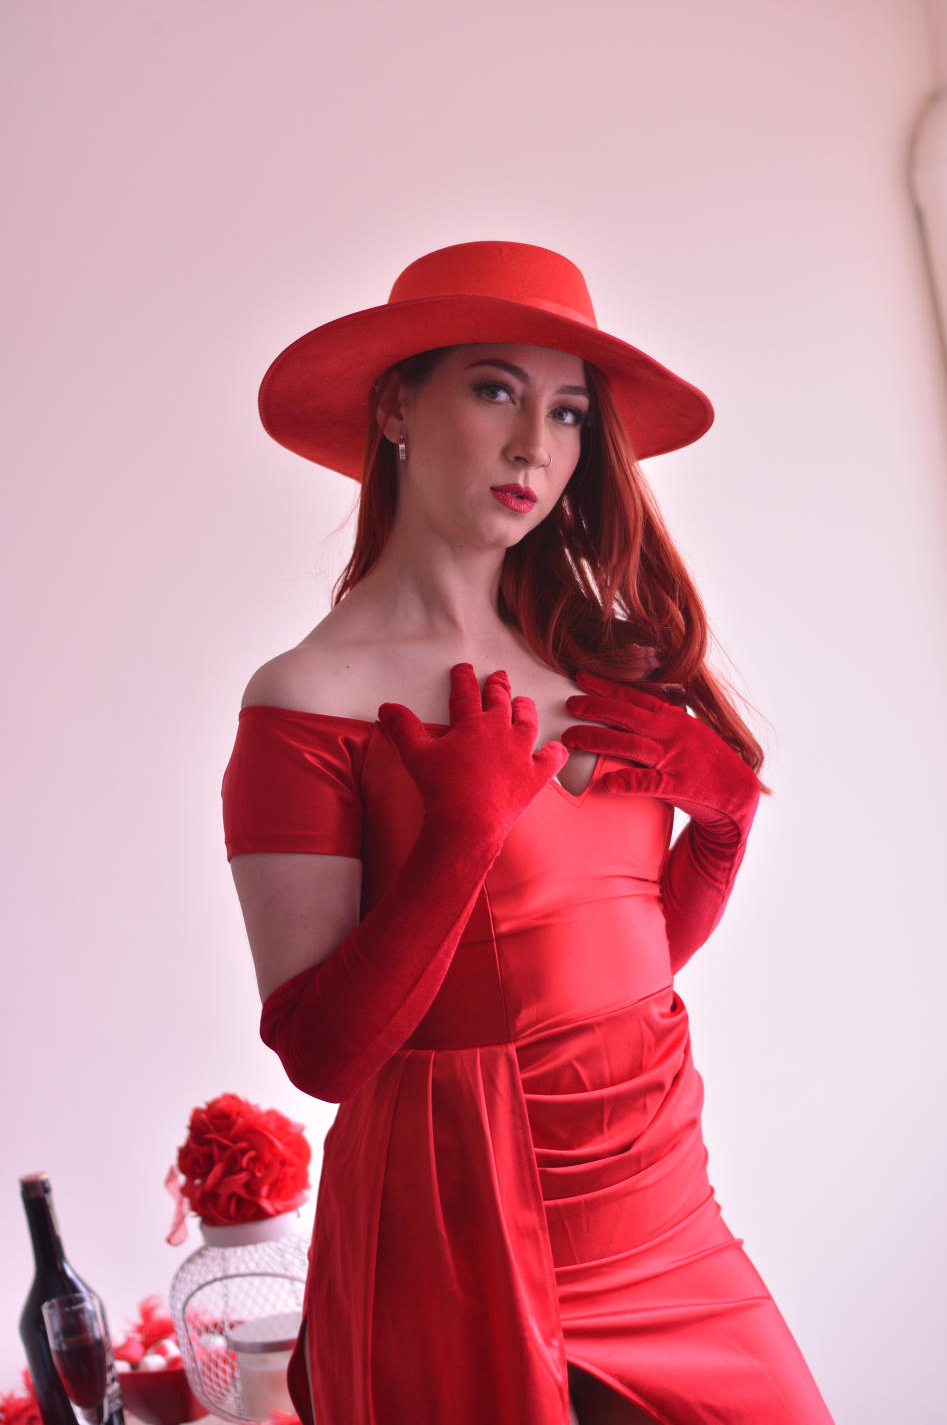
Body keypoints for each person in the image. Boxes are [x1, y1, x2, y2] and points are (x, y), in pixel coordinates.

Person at [221, 241, 835, 1425]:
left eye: (565, 412)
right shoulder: (306, 699)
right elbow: (319, 1055)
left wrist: (720, 825)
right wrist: (458, 839)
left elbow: (616, 970)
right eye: (494, 390)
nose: (533, 448)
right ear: (396, 407)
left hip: (663, 1208)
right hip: (464, 1225)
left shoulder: (597, 658)